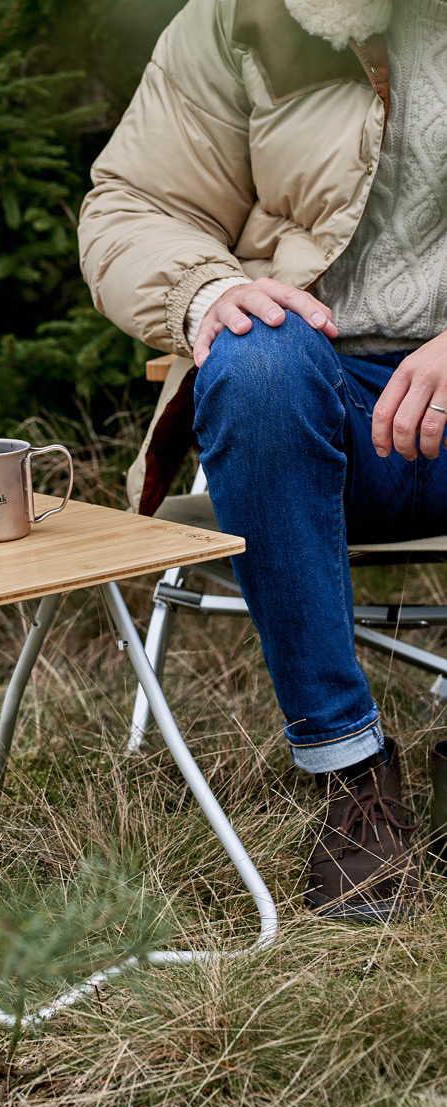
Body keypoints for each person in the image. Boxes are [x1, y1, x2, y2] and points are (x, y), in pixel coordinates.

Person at [78, 0, 447, 920]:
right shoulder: (242, 17)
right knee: (256, 353)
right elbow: (135, 203)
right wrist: (207, 290)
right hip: (320, 411)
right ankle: (351, 774)